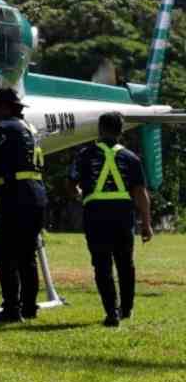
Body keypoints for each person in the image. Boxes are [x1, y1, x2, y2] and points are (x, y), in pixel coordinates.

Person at [68, 112, 153, 327]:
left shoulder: (85, 154)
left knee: (102, 264)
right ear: (121, 130)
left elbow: (70, 185)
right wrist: (146, 223)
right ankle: (126, 309)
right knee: (126, 263)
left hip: (96, 213)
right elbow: (141, 193)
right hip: (123, 214)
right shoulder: (131, 158)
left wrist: (80, 194)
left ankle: (111, 312)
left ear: (99, 129)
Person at [0, 88, 48, 322]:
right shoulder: (30, 129)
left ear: (5, 107)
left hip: (15, 195)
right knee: (26, 255)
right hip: (35, 194)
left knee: (2, 253)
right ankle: (29, 307)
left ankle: (11, 308)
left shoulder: (2, 128)